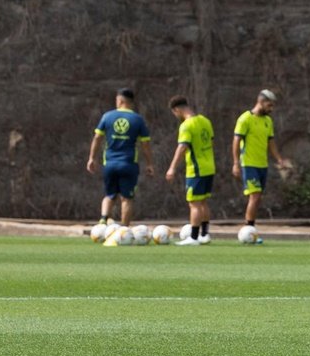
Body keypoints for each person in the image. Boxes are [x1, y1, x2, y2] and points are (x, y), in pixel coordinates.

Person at [86, 88, 154, 226]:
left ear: (121, 100)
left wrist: (92, 158)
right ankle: (124, 230)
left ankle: (103, 219)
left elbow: (97, 137)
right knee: (126, 199)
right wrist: (149, 163)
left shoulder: (107, 116)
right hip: (128, 164)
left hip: (110, 163)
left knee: (109, 195)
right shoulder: (138, 119)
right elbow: (145, 144)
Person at [232, 89, 290, 244]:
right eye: (269, 105)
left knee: (257, 198)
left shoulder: (267, 121)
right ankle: (249, 230)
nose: (271, 109)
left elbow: (271, 143)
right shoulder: (245, 119)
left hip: (262, 165)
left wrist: (279, 159)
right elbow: (236, 141)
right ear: (261, 102)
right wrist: (236, 163)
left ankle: (250, 228)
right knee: (255, 195)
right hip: (249, 164)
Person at [165, 96, 215, 246]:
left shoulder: (187, 125)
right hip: (209, 167)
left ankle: (193, 237)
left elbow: (182, 147)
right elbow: (211, 141)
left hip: (196, 169)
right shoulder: (205, 121)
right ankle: (205, 234)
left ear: (177, 110)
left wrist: (172, 168)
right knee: (203, 202)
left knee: (194, 203)